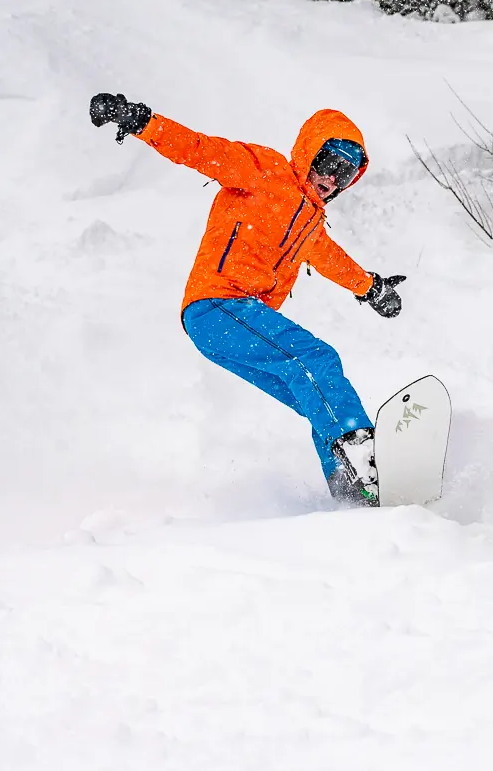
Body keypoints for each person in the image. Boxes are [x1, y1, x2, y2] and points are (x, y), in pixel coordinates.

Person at [88, 92, 406, 508]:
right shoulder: (265, 170)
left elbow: (330, 258)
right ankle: (366, 460)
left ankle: (352, 490)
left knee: (316, 397)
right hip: (218, 305)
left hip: (230, 323)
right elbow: (201, 150)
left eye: (344, 176)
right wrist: (142, 122)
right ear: (310, 153)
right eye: (329, 165)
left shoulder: (310, 219)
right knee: (317, 360)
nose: (332, 179)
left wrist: (370, 287)